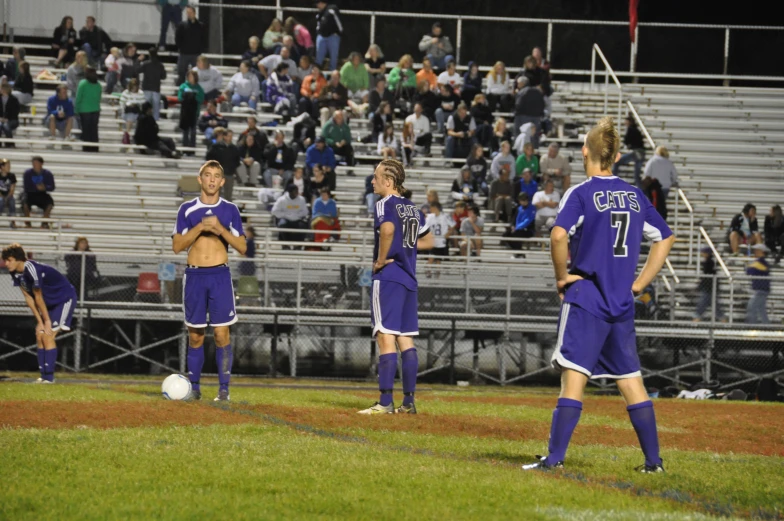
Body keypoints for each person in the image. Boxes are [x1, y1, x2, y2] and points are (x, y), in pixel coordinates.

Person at [522, 116, 675, 473]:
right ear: (617, 156)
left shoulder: (582, 192)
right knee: (631, 381)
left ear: (584, 152)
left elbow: (558, 236)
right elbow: (665, 238)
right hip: (621, 302)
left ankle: (555, 459)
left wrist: (562, 278)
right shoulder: (635, 195)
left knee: (573, 378)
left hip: (588, 298)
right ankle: (654, 462)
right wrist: (639, 284)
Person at [359, 159, 433, 415]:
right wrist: (405, 248)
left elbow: (388, 229)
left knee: (385, 336)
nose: (372, 181)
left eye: (376, 177)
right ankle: (409, 403)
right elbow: (430, 240)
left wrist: (380, 260)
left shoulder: (384, 204)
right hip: (409, 279)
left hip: (389, 277)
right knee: (406, 340)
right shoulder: (413, 209)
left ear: (388, 182)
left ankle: (384, 402)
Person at [172, 160, 247, 401]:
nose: (212, 179)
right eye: (208, 175)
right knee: (195, 335)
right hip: (194, 275)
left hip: (220, 275)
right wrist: (200, 228)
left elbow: (243, 247)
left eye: (217, 176)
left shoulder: (230, 210)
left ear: (222, 182)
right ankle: (194, 388)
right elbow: (177, 246)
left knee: (222, 334)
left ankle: (223, 390)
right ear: (200, 179)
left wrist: (220, 230)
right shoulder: (186, 209)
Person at [3, 243, 78, 383]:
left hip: (64, 300)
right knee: (40, 335)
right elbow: (28, 297)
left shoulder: (32, 269)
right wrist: (40, 321)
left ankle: (49, 379)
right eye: (5, 260)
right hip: (49, 303)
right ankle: (43, 377)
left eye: (9, 260)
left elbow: (38, 296)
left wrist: (47, 321)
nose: (6, 263)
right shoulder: (15, 272)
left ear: (19, 258)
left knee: (48, 335)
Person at [206, 128, 241, 201]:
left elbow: (237, 160)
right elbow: (209, 157)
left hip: (229, 174)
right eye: (229, 136)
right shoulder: (216, 146)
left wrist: (232, 168)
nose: (230, 138)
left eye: (231, 136)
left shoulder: (234, 148)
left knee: (228, 195)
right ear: (224, 136)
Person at [175, 6, 206, 85]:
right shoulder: (182, 25)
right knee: (181, 73)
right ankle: (180, 90)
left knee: (196, 74)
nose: (188, 14)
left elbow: (203, 39)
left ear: (194, 13)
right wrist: (180, 47)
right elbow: (178, 38)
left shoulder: (200, 25)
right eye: (187, 13)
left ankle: (195, 90)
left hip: (195, 54)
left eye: (190, 13)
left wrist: (200, 50)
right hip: (184, 54)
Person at [613, 115, 646, 186]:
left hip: (636, 152)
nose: (625, 124)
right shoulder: (637, 130)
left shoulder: (630, 129)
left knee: (616, 161)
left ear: (629, 122)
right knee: (637, 175)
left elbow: (626, 141)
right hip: (642, 152)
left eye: (626, 122)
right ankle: (641, 191)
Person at [74, 67, 101, 152]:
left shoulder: (83, 83)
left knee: (86, 129)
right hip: (95, 109)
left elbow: (78, 97)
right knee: (94, 129)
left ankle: (87, 147)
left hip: (84, 110)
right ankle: (95, 147)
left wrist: (76, 109)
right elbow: (99, 97)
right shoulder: (98, 84)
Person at [23, 157, 55, 228]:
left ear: (41, 164)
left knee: (49, 203)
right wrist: (36, 187)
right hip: (31, 194)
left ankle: (44, 222)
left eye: (36, 163)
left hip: (42, 194)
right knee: (25, 203)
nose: (35, 165)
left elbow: (52, 187)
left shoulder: (47, 173)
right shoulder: (28, 173)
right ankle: (27, 222)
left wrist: (45, 187)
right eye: (33, 163)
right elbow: (26, 187)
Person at [178, 69, 204, 153]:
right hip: (185, 112)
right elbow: (180, 97)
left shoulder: (199, 88)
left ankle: (192, 150)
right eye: (188, 76)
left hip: (194, 112)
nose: (190, 78)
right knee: (185, 130)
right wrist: (187, 96)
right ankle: (185, 149)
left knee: (193, 131)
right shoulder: (183, 86)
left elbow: (201, 99)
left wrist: (193, 96)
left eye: (191, 76)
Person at [693, 247, 723, 322]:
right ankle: (723, 318)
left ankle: (697, 318)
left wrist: (699, 286)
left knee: (703, 304)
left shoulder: (709, 263)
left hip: (708, 288)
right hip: (710, 287)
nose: (702, 254)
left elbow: (706, 277)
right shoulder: (710, 262)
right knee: (715, 305)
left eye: (704, 252)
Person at [514, 76, 544, 145]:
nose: (517, 85)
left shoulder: (521, 92)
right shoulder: (537, 91)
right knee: (534, 135)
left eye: (518, 83)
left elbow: (518, 105)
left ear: (522, 83)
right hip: (536, 117)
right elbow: (542, 104)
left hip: (522, 117)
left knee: (522, 135)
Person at [744, 244, 770, 324]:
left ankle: (752, 325)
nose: (755, 252)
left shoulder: (760, 262)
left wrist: (746, 265)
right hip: (761, 290)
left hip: (761, 290)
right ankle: (767, 326)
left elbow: (749, 271)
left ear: (762, 252)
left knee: (751, 307)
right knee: (761, 310)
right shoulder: (760, 262)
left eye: (757, 250)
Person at [140, 47, 167, 120]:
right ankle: (155, 120)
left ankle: (144, 118)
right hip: (156, 87)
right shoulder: (160, 65)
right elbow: (164, 76)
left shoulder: (145, 64)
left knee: (146, 104)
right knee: (156, 105)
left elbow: (138, 70)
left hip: (146, 87)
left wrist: (138, 61)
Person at [315, 1, 343, 71]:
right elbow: (318, 24)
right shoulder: (319, 13)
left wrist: (339, 32)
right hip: (322, 36)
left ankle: (331, 75)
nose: (317, 6)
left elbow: (338, 21)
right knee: (319, 57)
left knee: (333, 58)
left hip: (333, 36)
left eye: (317, 4)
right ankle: (318, 74)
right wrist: (318, 33)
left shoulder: (332, 9)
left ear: (321, 3)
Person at [424, 201, 453, 266]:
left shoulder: (446, 216)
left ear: (435, 208)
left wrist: (449, 232)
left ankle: (437, 274)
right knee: (431, 258)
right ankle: (428, 272)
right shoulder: (429, 217)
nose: (430, 209)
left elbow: (453, 225)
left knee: (438, 260)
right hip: (432, 240)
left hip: (441, 241)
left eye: (431, 208)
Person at [119, 78, 146, 144]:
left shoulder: (141, 93)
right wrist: (128, 105)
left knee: (137, 118)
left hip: (137, 111)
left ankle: (127, 135)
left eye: (135, 87)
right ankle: (127, 134)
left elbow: (143, 102)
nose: (134, 89)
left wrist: (136, 103)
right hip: (128, 111)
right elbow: (122, 102)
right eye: (133, 87)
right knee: (130, 117)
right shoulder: (125, 92)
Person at [0, 159, 17, 227]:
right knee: (0, 201)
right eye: (7, 165)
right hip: (1, 196)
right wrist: (2, 197)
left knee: (12, 201)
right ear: (2, 167)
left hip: (9, 195)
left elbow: (12, 189)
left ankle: (13, 221)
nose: (9, 167)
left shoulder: (11, 176)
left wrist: (7, 197)